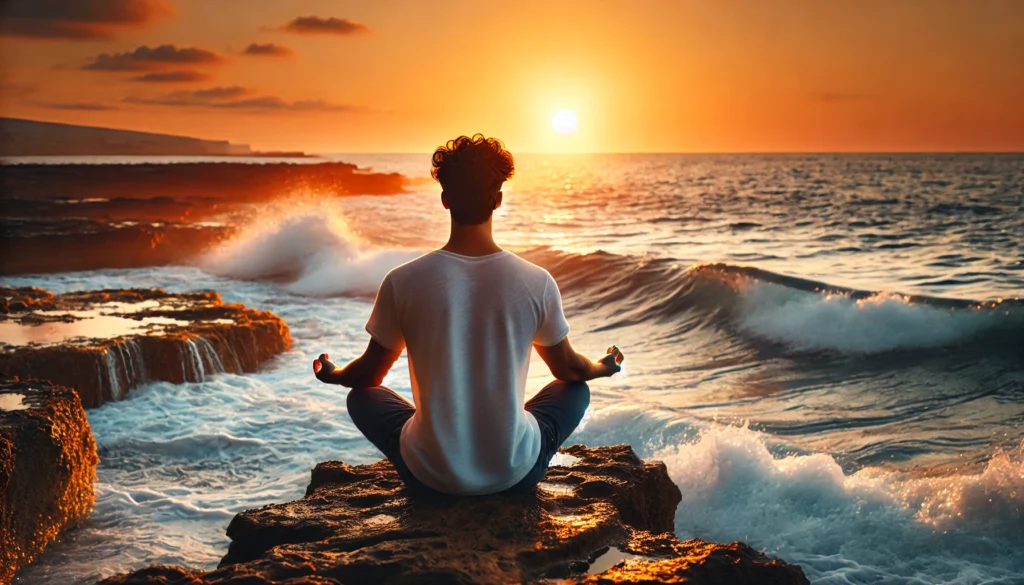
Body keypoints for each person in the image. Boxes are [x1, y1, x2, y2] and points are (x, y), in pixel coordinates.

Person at [312, 134, 624, 496]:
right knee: (574, 391)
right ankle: (501, 444)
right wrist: (604, 366)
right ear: (499, 200)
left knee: (361, 397)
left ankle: (437, 451)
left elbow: (368, 376)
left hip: (430, 479)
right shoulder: (536, 281)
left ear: (445, 201)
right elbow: (569, 369)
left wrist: (335, 375)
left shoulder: (402, 280)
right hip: (514, 475)